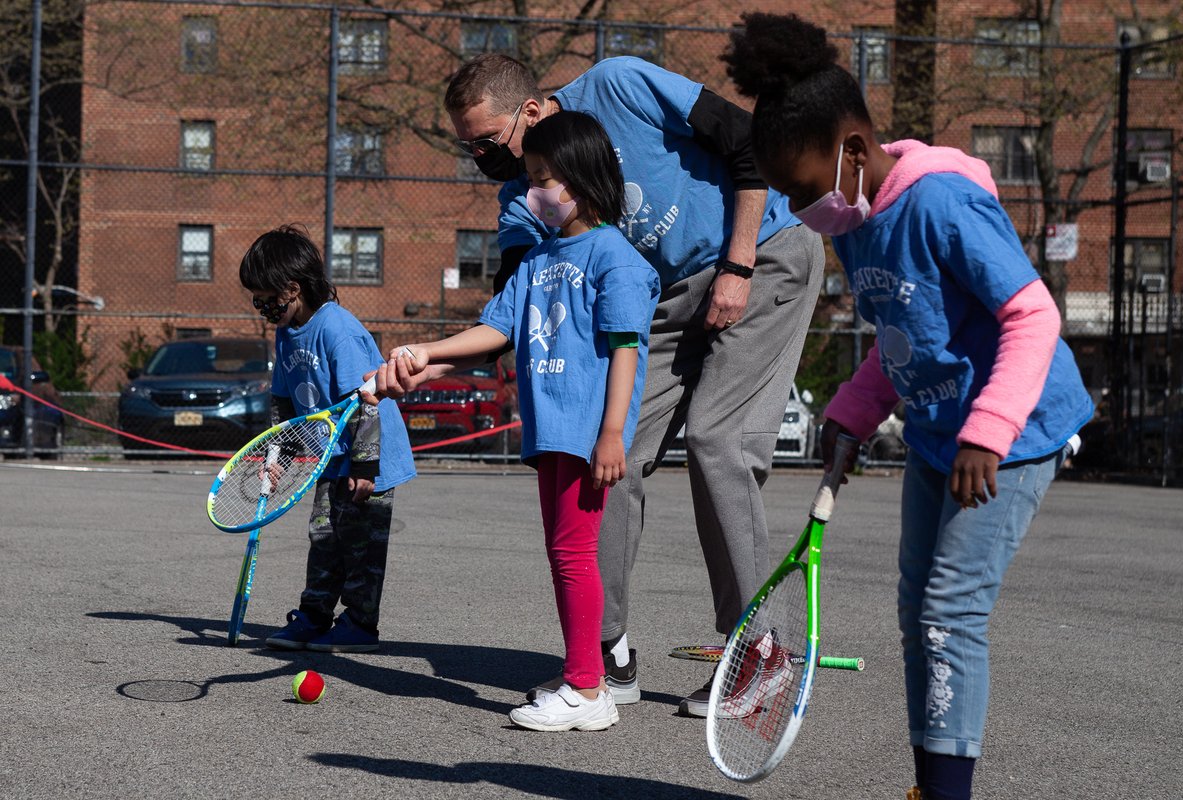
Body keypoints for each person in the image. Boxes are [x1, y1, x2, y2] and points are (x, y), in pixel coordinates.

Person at [372, 52, 826, 716]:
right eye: (468, 146)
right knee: (604, 458)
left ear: (530, 111)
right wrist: (429, 361)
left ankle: (761, 651)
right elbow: (514, 315)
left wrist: (738, 261)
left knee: (717, 442)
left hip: (761, 253)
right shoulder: (525, 198)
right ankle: (604, 655)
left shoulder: (620, 85)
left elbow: (746, 142)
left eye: (487, 141)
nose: (481, 158)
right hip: (665, 296)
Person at [722, 14, 1094, 800]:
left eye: (800, 187)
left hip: (1013, 434)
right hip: (937, 436)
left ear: (853, 151)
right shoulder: (857, 224)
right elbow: (907, 336)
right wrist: (853, 412)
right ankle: (931, 785)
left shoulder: (941, 206)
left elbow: (1033, 315)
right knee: (915, 610)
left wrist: (988, 433)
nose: (795, 208)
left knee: (949, 614)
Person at [379, 111, 659, 731]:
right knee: (565, 554)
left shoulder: (617, 258)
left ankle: (589, 691)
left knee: (574, 554)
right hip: (551, 428)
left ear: (582, 179)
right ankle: (584, 674)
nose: (534, 191)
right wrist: (426, 357)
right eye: (531, 176)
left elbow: (625, 350)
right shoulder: (537, 260)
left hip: (586, 433)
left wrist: (612, 432)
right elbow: (495, 330)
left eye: (543, 178)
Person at [239, 225, 416, 653]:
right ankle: (315, 615)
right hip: (329, 457)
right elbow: (283, 400)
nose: (263, 309)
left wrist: (364, 466)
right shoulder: (286, 333)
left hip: (368, 455)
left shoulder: (337, 329)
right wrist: (277, 453)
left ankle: (359, 623)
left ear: (293, 289)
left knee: (360, 544)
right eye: (256, 301)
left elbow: (367, 398)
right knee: (324, 536)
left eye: (267, 300)